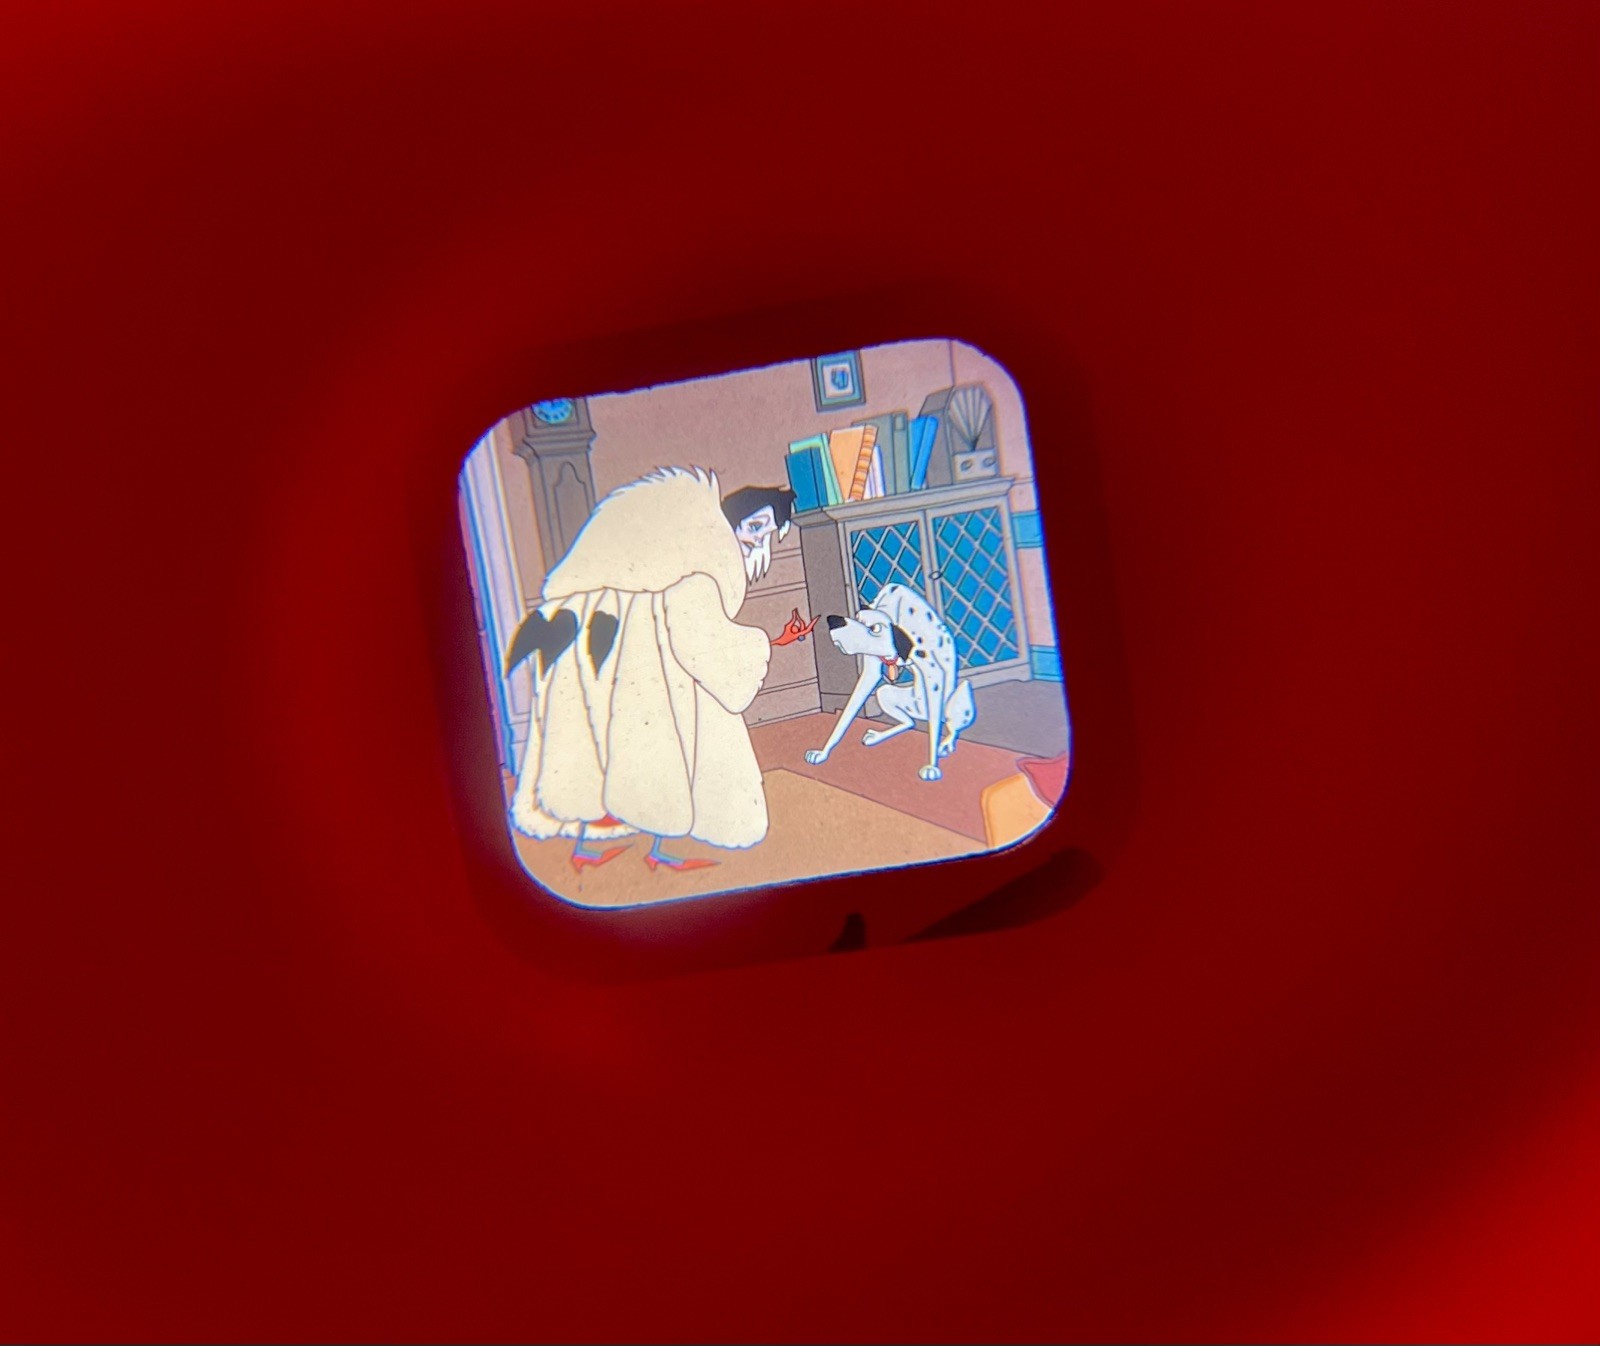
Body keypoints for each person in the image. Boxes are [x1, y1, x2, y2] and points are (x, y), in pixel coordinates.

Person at [504, 468, 795, 873]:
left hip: (622, 664)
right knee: (655, 749)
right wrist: (756, 646)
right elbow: (703, 645)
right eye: (755, 526)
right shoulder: (701, 567)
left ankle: (616, 839)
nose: (757, 539)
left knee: (611, 746)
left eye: (767, 533)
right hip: (643, 674)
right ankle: (647, 845)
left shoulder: (686, 561)